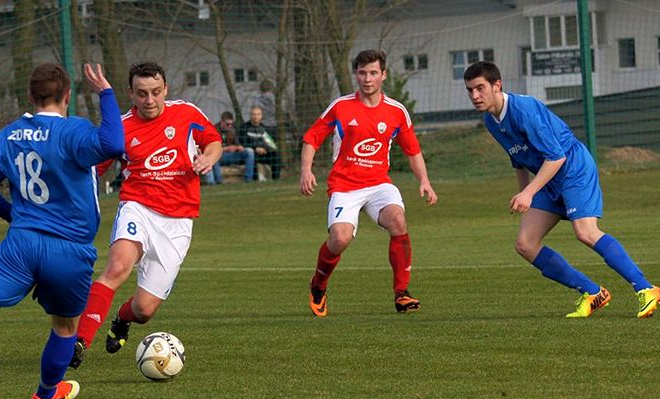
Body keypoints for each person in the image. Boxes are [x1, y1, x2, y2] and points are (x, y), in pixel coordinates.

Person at [0, 63, 125, 399]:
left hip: (20, 244)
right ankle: (46, 393)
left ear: (31, 96)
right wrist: (106, 93)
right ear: (66, 97)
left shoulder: (10, 135)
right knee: (65, 326)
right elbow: (113, 142)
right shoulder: (72, 132)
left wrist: (11, 213)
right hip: (68, 248)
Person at [463, 61, 660, 318]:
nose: (475, 96)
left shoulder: (524, 110)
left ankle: (646, 289)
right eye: (470, 90)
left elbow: (556, 157)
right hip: (548, 177)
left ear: (497, 85)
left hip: (572, 167)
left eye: (480, 88)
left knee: (585, 232)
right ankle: (592, 292)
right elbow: (518, 159)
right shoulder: (491, 121)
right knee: (525, 243)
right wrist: (525, 196)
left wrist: (529, 193)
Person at [70, 62, 222, 367]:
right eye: (142, 94)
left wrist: (208, 157)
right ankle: (77, 342)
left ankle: (121, 320)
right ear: (131, 94)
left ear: (165, 89)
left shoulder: (187, 113)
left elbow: (214, 141)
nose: (150, 100)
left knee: (144, 310)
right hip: (137, 207)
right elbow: (90, 173)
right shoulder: (121, 129)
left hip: (178, 221)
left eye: (155, 92)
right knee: (117, 267)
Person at [299, 49, 438, 317]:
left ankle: (402, 293)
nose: (367, 78)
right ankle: (318, 284)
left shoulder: (396, 111)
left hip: (378, 184)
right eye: (362, 72)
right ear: (356, 74)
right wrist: (306, 171)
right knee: (339, 239)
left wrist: (425, 181)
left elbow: (413, 151)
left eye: (373, 72)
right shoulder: (341, 106)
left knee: (397, 219)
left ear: (383, 75)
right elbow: (312, 138)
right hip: (344, 186)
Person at [204, 112, 255, 184]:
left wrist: (238, 147)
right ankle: (219, 181)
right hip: (220, 156)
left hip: (232, 155)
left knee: (249, 152)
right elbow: (211, 149)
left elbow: (238, 144)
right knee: (214, 157)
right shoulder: (213, 130)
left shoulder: (232, 130)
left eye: (231, 124)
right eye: (228, 124)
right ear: (222, 122)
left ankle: (248, 179)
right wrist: (227, 148)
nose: (230, 126)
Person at [238, 106, 282, 180]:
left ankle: (276, 180)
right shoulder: (244, 127)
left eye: (258, 114)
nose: (256, 117)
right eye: (254, 114)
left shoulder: (264, 128)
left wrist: (265, 149)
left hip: (263, 153)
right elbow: (243, 143)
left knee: (276, 155)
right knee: (251, 156)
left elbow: (270, 143)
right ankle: (254, 180)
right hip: (252, 154)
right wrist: (255, 148)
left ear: (261, 116)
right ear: (250, 115)